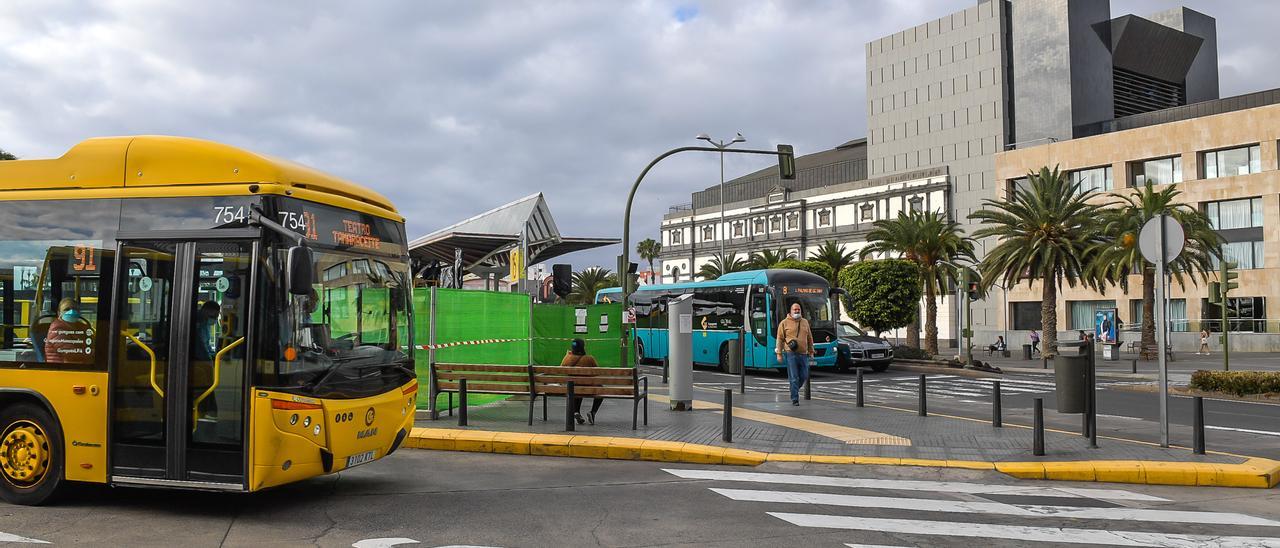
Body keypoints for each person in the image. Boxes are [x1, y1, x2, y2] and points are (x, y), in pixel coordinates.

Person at [775, 302, 815, 406]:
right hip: (790, 353)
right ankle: (795, 399)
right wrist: (779, 353)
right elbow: (780, 338)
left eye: (799, 310)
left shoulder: (805, 322)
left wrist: (811, 350)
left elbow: (809, 337)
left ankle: (794, 388)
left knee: (804, 375)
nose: (797, 311)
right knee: (794, 377)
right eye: (795, 309)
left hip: (803, 354)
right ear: (790, 311)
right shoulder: (784, 323)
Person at [562, 338, 604, 425]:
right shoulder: (589, 359)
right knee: (600, 389)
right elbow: (597, 372)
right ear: (583, 347)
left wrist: (568, 355)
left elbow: (561, 369)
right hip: (587, 388)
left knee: (577, 387)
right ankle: (592, 412)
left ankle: (576, 411)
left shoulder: (567, 359)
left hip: (571, 388)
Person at [45, 298, 92, 364]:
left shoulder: (83, 327)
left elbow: (92, 343)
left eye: (75, 309)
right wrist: (93, 353)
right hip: (63, 368)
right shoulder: (56, 328)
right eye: (67, 309)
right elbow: (70, 353)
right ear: (59, 313)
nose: (72, 312)